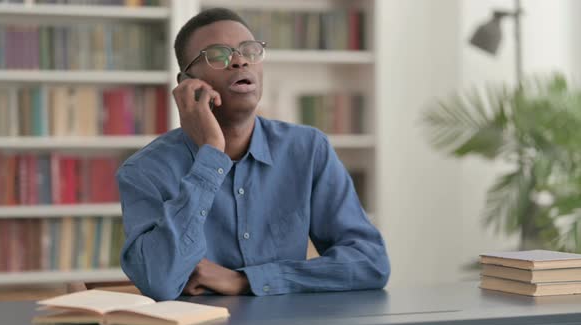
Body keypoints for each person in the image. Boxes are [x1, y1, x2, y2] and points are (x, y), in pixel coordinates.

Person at [116, 7, 391, 301]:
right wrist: (210, 154)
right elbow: (160, 281)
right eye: (218, 55)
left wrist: (245, 280)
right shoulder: (144, 171)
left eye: (249, 50)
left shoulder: (307, 149)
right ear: (187, 84)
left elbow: (370, 263)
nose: (239, 60)